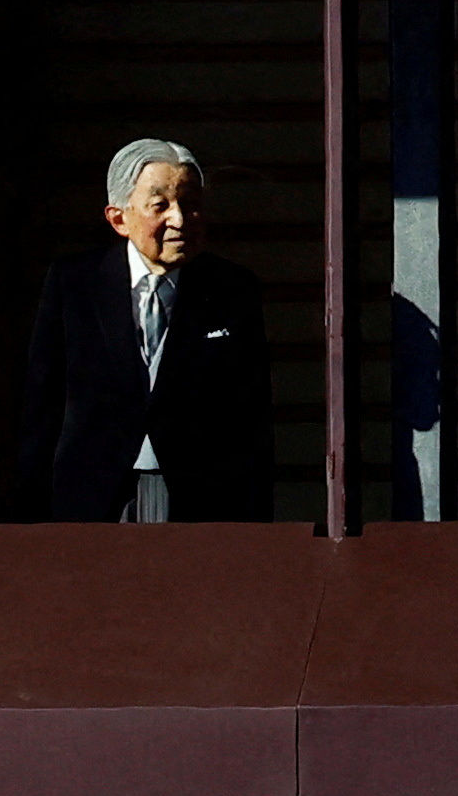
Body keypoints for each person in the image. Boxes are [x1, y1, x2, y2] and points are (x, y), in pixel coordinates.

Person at [21, 138, 276, 524]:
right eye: (161, 206)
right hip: (94, 496)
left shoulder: (232, 289)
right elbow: (43, 403)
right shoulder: (74, 283)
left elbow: (251, 414)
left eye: (190, 205)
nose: (180, 219)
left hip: (200, 498)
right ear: (118, 218)